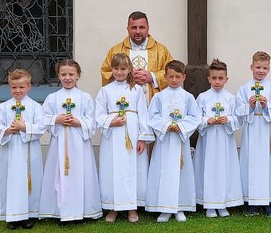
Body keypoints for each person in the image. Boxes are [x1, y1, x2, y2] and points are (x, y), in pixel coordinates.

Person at [39, 59, 102, 222]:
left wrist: (78, 122)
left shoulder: (85, 97)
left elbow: (92, 120)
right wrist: (56, 119)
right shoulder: (52, 98)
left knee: (82, 174)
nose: (67, 78)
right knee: (58, 176)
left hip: (80, 143)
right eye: (63, 74)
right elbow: (42, 118)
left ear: (78, 75)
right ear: (58, 76)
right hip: (59, 141)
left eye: (71, 74)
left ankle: (83, 210)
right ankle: (59, 211)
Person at [95, 53, 155, 223]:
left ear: (129, 70)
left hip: (133, 134)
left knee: (132, 169)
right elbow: (98, 114)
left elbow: (143, 114)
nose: (119, 72)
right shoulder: (105, 91)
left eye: (123, 69)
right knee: (112, 169)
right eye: (116, 68)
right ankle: (113, 207)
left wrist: (143, 137)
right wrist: (110, 121)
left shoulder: (136, 90)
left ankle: (131, 207)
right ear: (111, 70)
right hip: (113, 136)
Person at [145, 60, 201, 222]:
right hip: (164, 142)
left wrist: (182, 127)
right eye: (171, 76)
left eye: (177, 76)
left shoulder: (188, 97)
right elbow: (152, 116)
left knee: (181, 172)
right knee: (164, 172)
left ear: (183, 77)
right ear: (165, 77)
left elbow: (194, 117)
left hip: (180, 142)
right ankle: (164, 207)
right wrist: (166, 126)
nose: (174, 80)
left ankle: (180, 207)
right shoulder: (159, 96)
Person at [0, 69, 45, 230]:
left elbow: (41, 128)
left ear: (29, 86)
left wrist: (23, 127)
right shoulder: (4, 107)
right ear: (9, 87)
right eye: (14, 87)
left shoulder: (34, 107)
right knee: (11, 181)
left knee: (29, 180)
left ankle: (28, 215)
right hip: (11, 150)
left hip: (29, 150)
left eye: (21, 87)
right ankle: (12, 216)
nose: (18, 90)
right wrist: (8, 130)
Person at [236, 51, 271, 216]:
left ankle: (267, 201)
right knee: (251, 164)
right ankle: (252, 201)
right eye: (258, 67)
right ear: (251, 67)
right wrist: (249, 107)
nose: (261, 71)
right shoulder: (244, 88)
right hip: (252, 130)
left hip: (268, 130)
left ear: (269, 69)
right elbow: (238, 110)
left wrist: (267, 106)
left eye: (264, 68)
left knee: (269, 165)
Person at [194, 59, 244, 218]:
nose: (217, 82)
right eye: (214, 78)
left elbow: (238, 118)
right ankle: (209, 204)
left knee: (224, 168)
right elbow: (195, 118)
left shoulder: (230, 98)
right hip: (208, 140)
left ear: (226, 79)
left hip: (224, 140)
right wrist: (205, 120)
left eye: (220, 78)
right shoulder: (202, 97)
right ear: (208, 79)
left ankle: (223, 203)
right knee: (208, 168)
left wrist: (228, 119)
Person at [101, 11, 173, 103]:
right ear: (127, 28)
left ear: (148, 28)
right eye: (134, 28)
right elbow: (105, 73)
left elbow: (173, 73)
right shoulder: (115, 51)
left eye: (142, 27)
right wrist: (126, 76)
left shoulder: (161, 51)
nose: (138, 31)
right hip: (125, 106)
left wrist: (153, 77)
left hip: (153, 106)